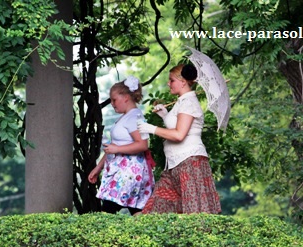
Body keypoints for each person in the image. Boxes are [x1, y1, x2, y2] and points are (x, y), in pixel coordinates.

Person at [137, 64, 221, 214]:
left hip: (190, 163)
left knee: (195, 213)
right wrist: (165, 115)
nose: (168, 83)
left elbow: (179, 135)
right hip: (174, 164)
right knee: (156, 208)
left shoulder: (188, 102)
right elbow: (176, 125)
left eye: (171, 80)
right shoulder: (182, 102)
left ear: (183, 82)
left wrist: (152, 129)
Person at [88, 76, 155, 215]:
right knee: (136, 209)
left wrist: (117, 149)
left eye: (114, 100)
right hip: (124, 171)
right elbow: (114, 146)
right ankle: (143, 236)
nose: (112, 103)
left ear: (126, 97)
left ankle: (102, 235)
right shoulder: (126, 117)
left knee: (108, 208)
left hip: (130, 172)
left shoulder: (134, 117)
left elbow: (143, 145)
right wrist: (98, 168)